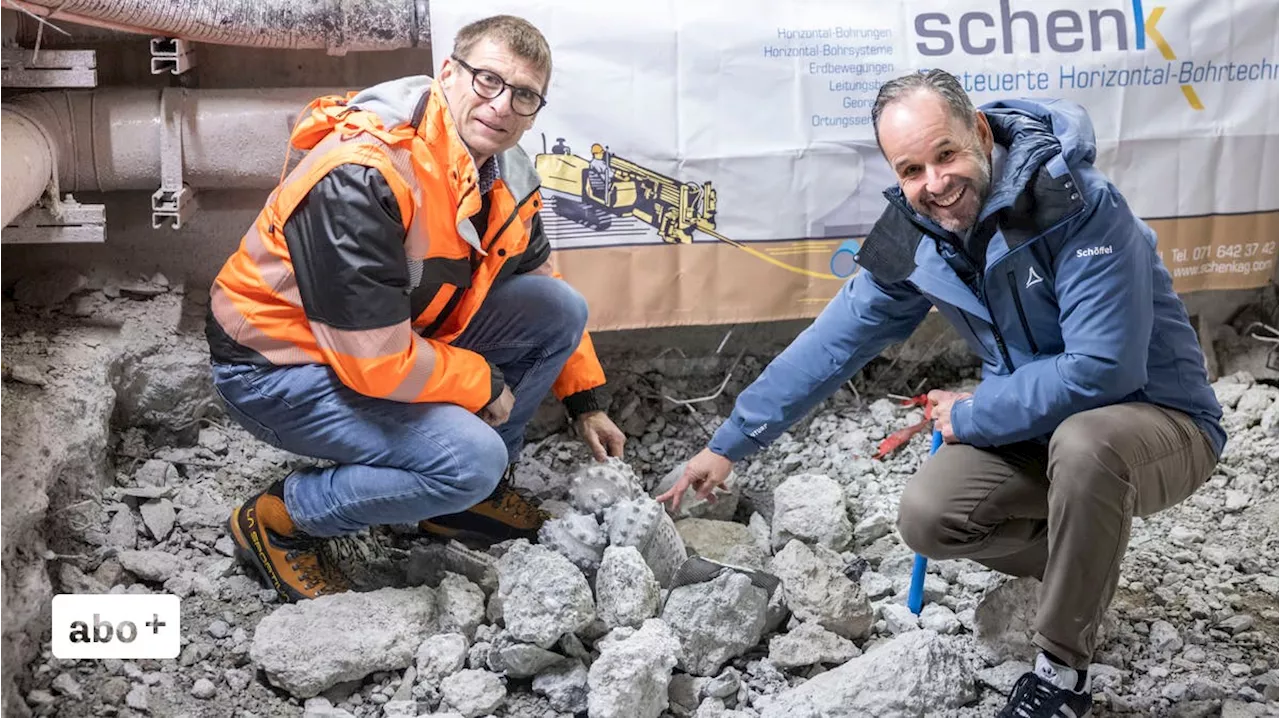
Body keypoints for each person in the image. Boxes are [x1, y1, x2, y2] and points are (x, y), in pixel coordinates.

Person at [659, 69, 1224, 718]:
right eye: (911, 169)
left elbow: (1104, 370)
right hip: (1040, 427)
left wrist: (980, 411)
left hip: (1159, 424)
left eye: (947, 154)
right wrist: (731, 443)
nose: (934, 182)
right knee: (930, 515)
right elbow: (836, 340)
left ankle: (1061, 674)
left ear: (979, 132)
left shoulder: (1080, 204)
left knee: (1087, 440)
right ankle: (1084, 565)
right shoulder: (913, 228)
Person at [206, 14, 626, 603]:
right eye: (488, 81)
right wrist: (480, 382)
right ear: (448, 74)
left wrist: (584, 402)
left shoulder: (506, 168)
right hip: (276, 368)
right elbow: (373, 362)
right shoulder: (365, 172)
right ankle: (282, 520)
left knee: (557, 306)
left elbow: (537, 277)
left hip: (386, 344)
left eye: (524, 95)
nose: (502, 106)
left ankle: (462, 504)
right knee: (469, 457)